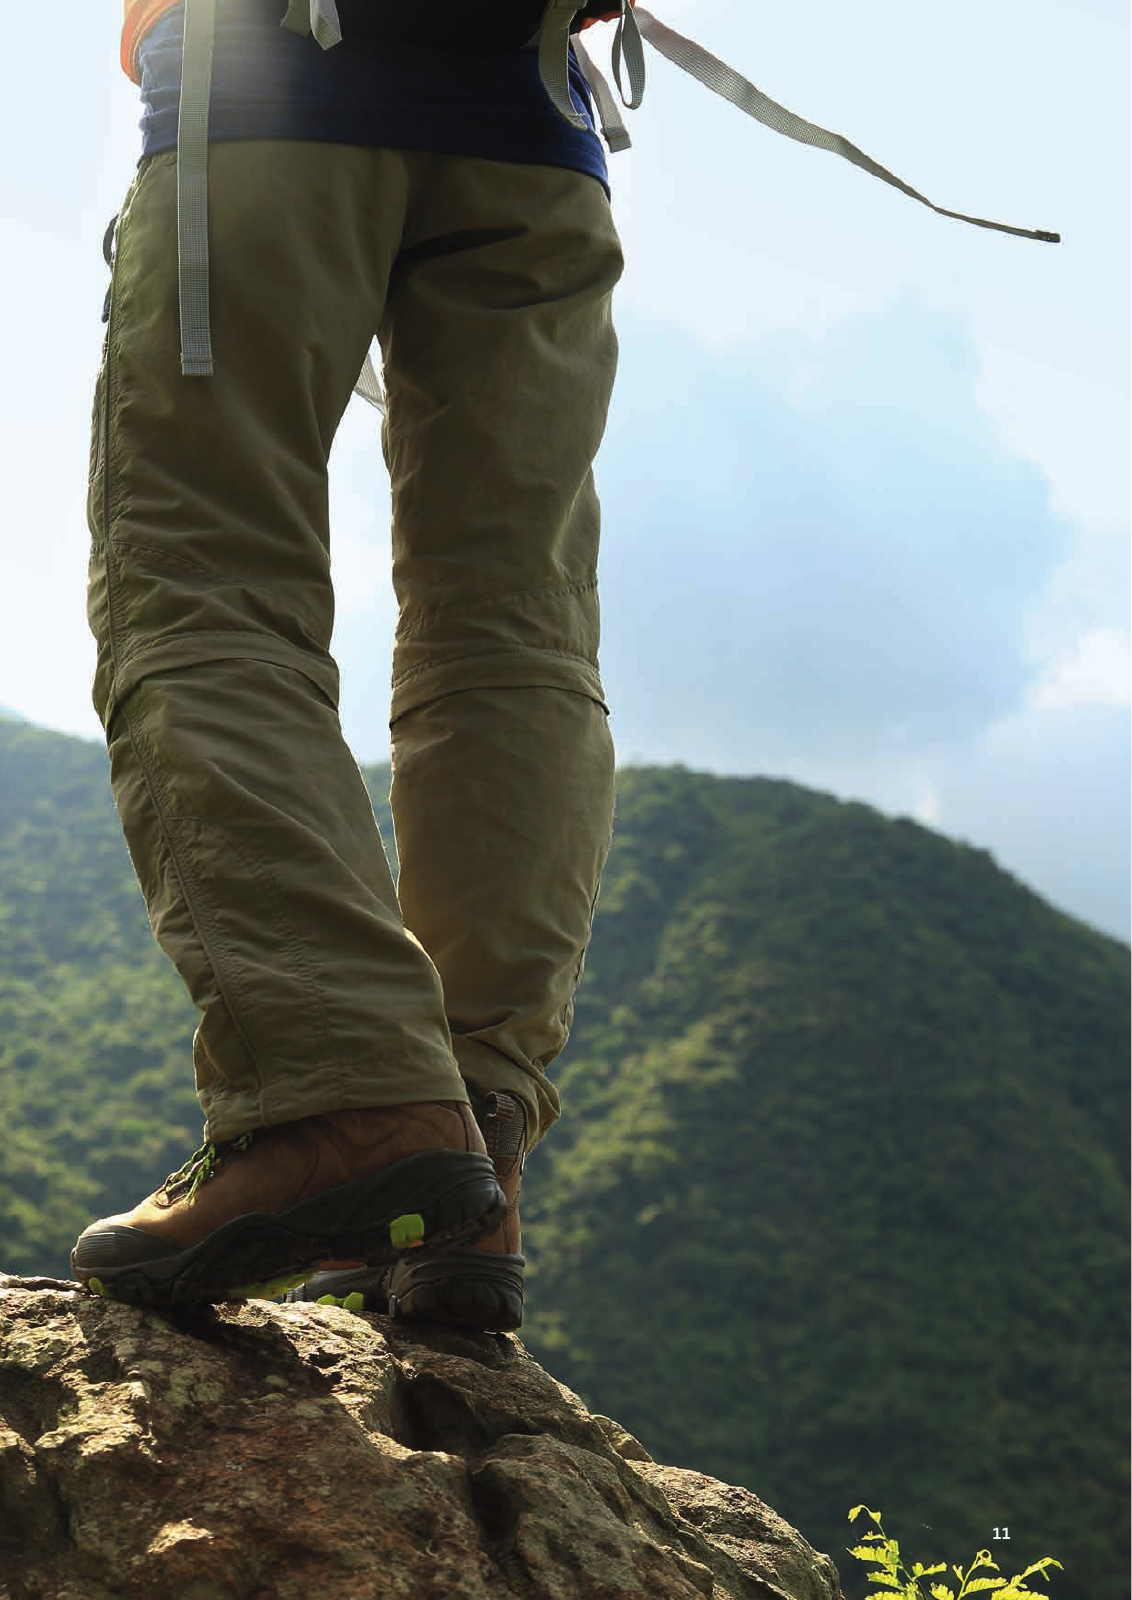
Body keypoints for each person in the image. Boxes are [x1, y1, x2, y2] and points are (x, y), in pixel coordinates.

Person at [71, 0, 624, 1330]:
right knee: (515, 627)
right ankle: (468, 1135)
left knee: (202, 584)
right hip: (532, 129)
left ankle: (351, 1101)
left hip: (271, 100)